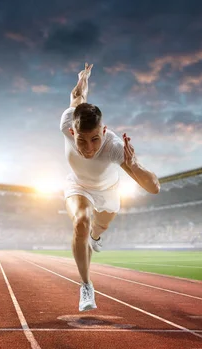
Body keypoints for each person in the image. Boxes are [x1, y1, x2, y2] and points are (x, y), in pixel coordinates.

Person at [59, 62, 161, 311]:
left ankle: (96, 236)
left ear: (104, 131)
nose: (89, 148)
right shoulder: (66, 122)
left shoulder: (114, 147)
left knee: (97, 229)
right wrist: (83, 77)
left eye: (95, 139)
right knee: (81, 221)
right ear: (72, 132)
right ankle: (86, 286)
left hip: (108, 193)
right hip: (78, 186)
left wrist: (134, 164)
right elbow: (77, 96)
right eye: (82, 140)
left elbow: (154, 187)